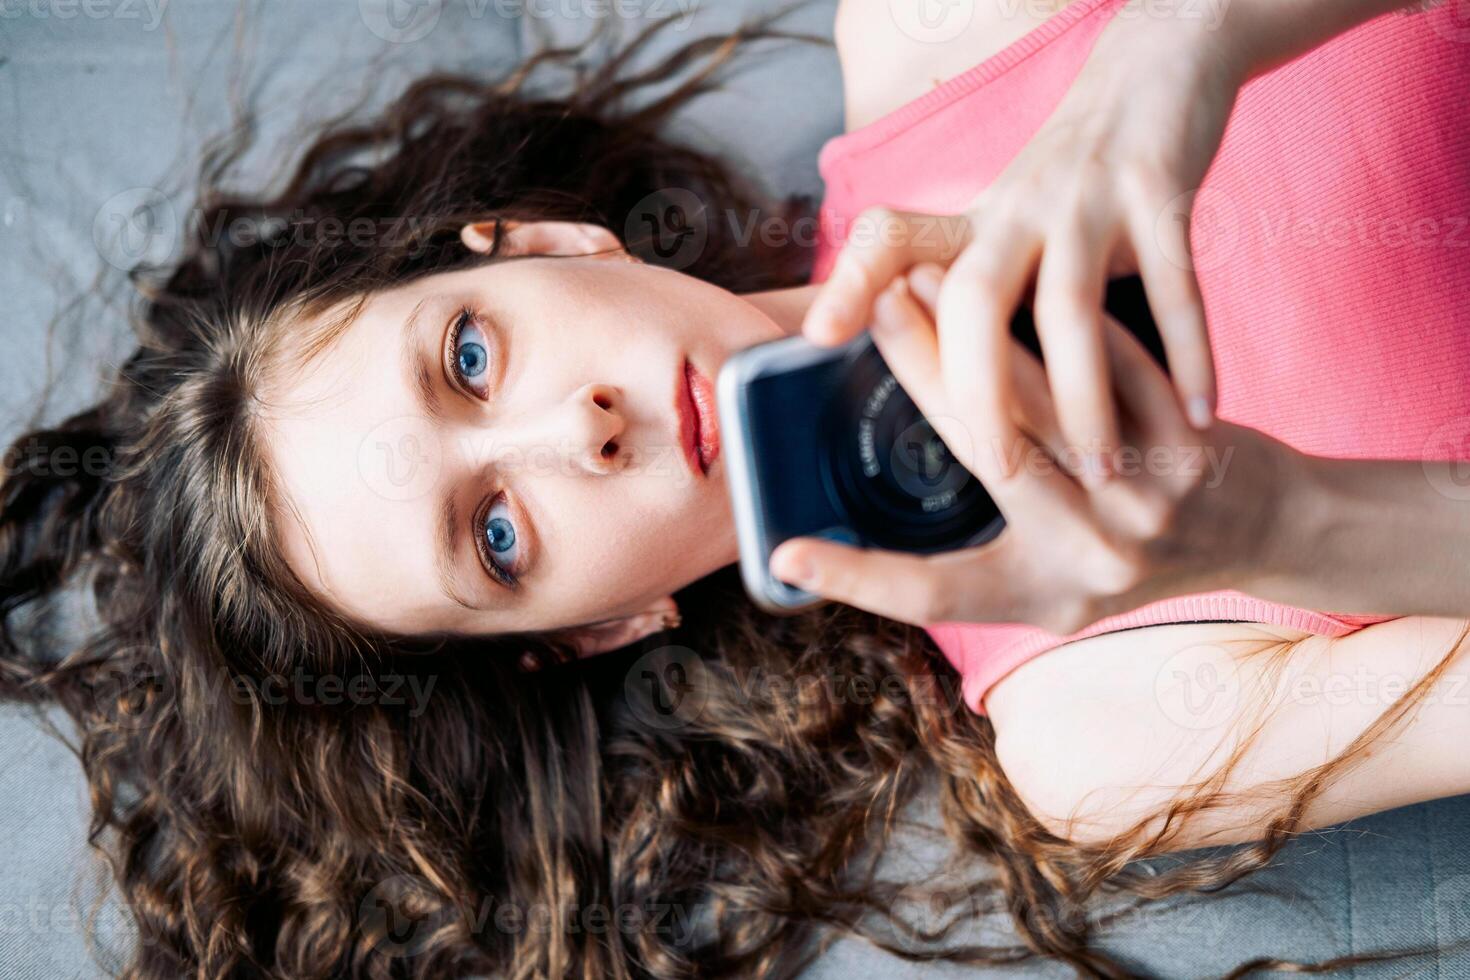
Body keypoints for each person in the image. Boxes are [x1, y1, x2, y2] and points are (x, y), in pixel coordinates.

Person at [0, 1, 1464, 975]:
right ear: (600, 625)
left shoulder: (935, 25)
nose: (578, 430)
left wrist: (1193, 41)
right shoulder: (1094, 736)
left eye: (466, 357)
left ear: (551, 244)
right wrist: (1274, 527)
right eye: (496, 533)